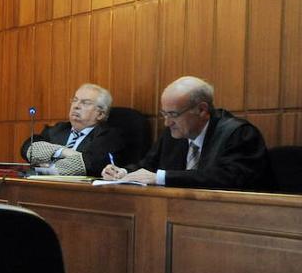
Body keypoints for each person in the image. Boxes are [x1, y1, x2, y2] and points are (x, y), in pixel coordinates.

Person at [101, 76, 268, 190]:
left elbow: (228, 178)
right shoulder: (173, 134)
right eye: (164, 114)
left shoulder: (238, 134)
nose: (167, 123)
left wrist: (161, 178)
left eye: (173, 114)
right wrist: (123, 172)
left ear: (202, 110)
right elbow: (148, 166)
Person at [19, 83, 124, 176]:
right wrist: (63, 151)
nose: (76, 106)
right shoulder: (58, 129)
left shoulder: (107, 135)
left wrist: (48, 161)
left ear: (100, 114)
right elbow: (28, 147)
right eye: (75, 100)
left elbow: (91, 164)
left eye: (85, 103)